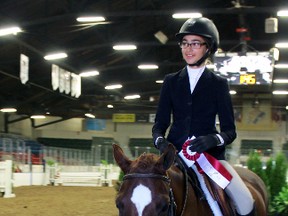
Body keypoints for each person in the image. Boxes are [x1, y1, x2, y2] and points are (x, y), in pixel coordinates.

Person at [152, 17, 255, 216]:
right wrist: (160, 141)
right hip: (174, 159)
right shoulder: (171, 82)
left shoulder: (218, 84)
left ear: (208, 48)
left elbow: (230, 131)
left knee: (245, 202)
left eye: (195, 43)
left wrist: (212, 139)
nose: (188, 49)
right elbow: (160, 124)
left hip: (211, 159)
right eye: (185, 43)